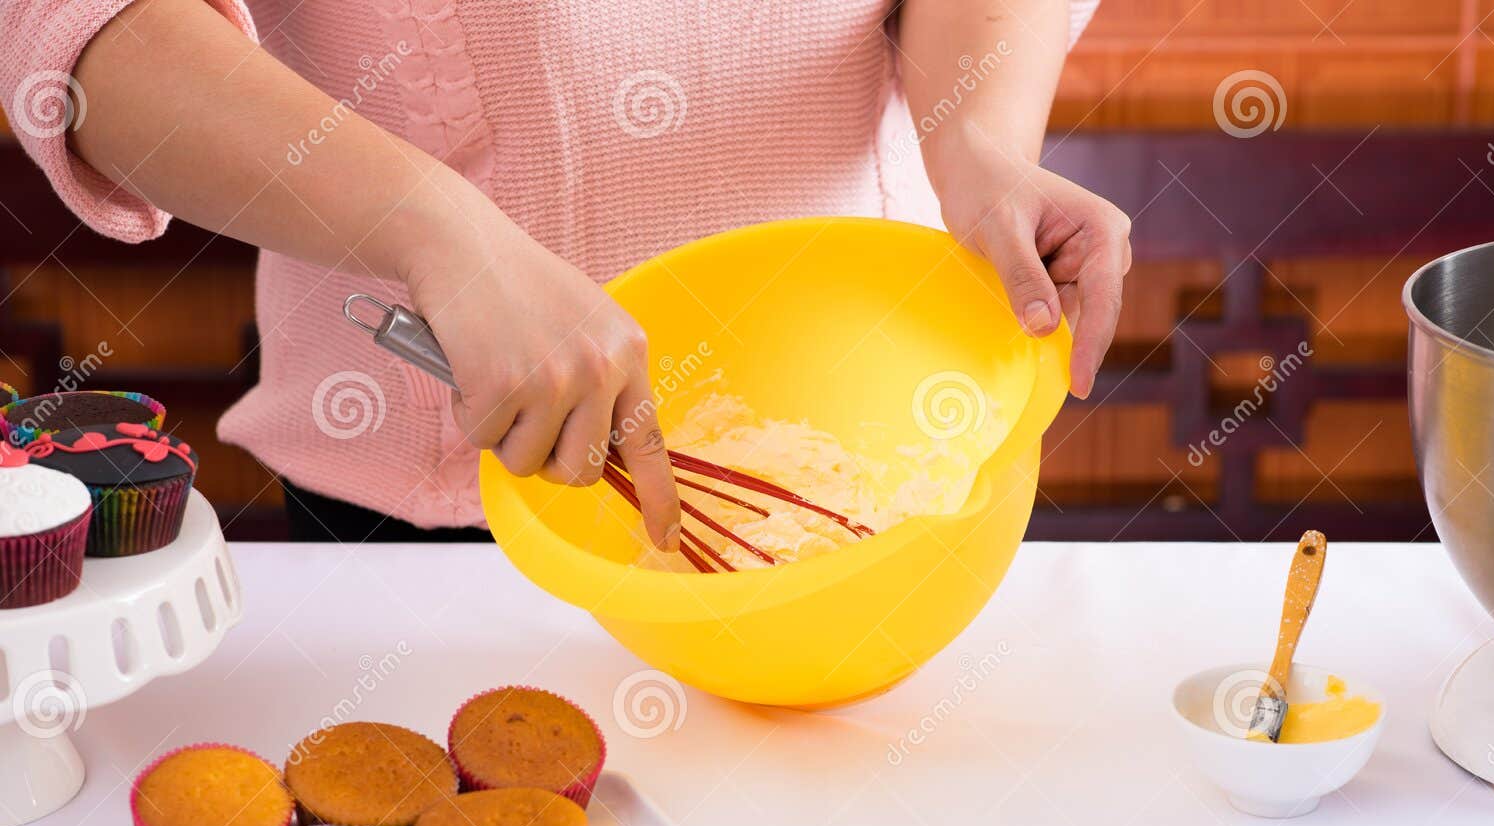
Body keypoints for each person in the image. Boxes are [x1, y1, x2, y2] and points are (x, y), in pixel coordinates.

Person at [1, 0, 1128, 544]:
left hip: (874, 460)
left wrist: (973, 138)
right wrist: (444, 233)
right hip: (444, 506)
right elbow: (77, 34)